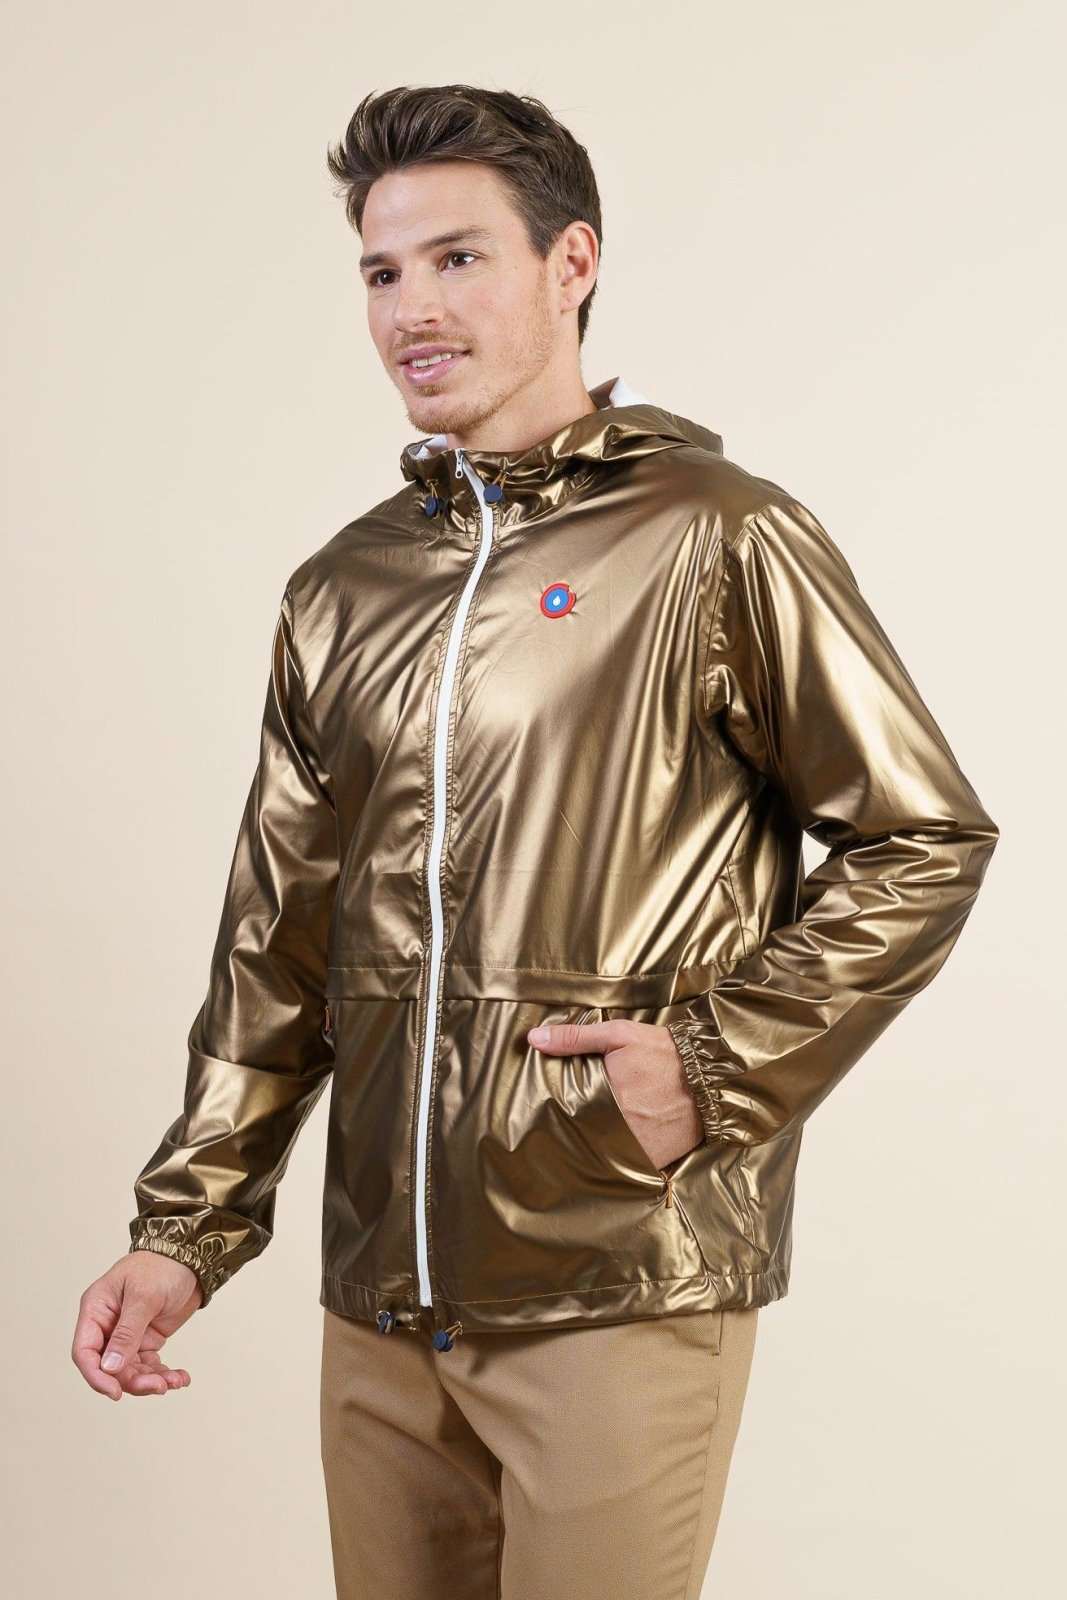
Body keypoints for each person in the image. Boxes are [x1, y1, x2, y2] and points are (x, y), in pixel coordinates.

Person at [72, 84, 1000, 1600]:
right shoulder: (343, 590)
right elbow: (279, 943)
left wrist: (709, 1066)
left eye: (458, 259)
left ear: (572, 263)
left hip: (615, 1267)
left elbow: (923, 836)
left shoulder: (714, 532)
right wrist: (185, 1230)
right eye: (382, 272)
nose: (412, 311)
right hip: (384, 1305)